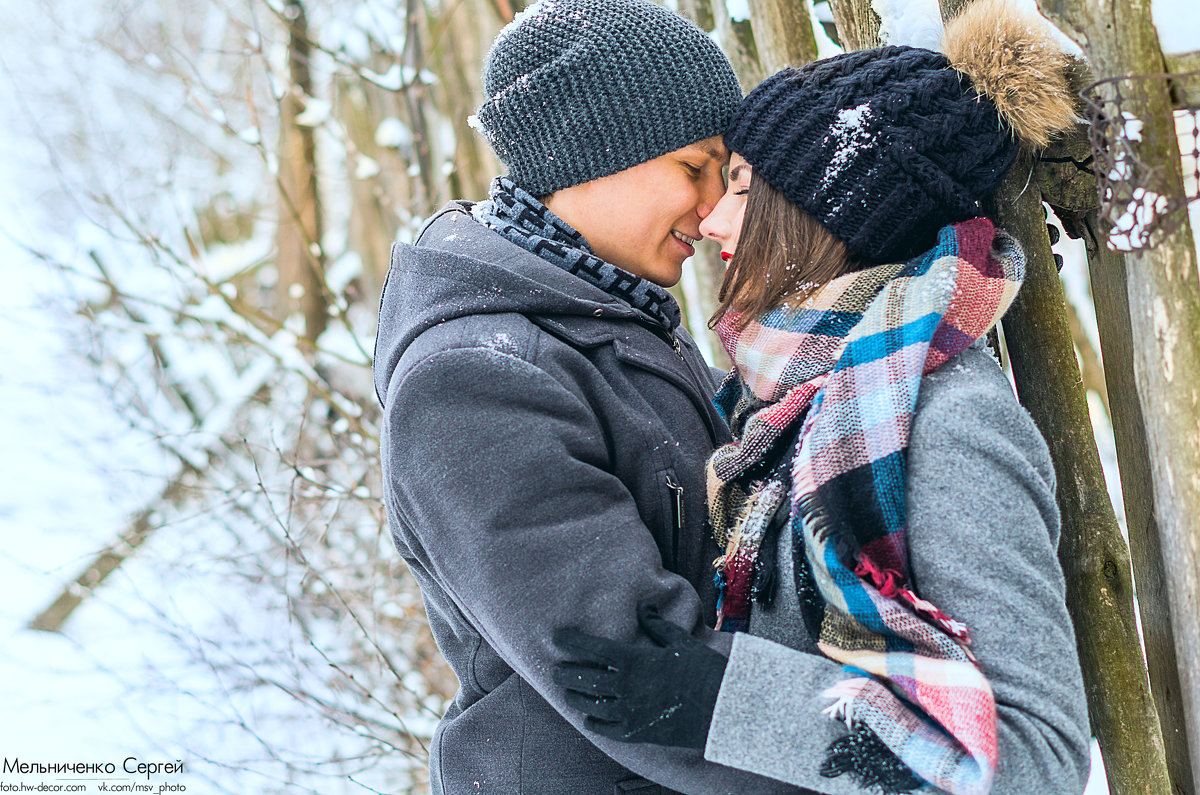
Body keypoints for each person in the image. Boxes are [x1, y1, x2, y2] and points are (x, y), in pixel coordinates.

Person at [553, 1, 1092, 793]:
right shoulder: (787, 405)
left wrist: (725, 703)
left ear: (826, 213)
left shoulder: (948, 423)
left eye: (741, 186)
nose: (712, 218)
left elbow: (1040, 758)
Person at [373, 0, 807, 792]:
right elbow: (631, 673)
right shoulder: (476, 380)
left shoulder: (605, 313)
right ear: (591, 156)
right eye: (693, 167)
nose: (714, 206)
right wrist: (872, 748)